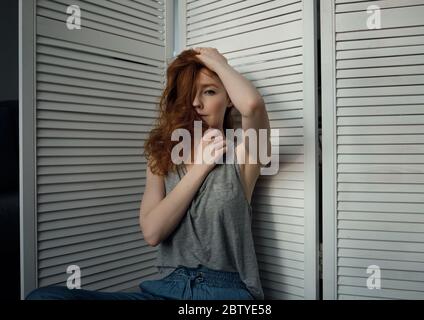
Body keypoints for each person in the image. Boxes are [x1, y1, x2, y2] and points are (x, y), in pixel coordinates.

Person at [26, 47, 271, 300]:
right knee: (42, 297)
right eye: (189, 94)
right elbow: (153, 232)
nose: (196, 102)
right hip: (166, 289)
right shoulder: (162, 157)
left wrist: (217, 63)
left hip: (226, 292)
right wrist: (201, 168)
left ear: (229, 98)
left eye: (209, 91)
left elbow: (252, 105)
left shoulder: (244, 157)